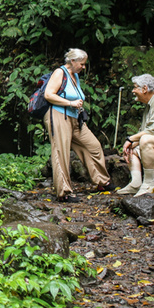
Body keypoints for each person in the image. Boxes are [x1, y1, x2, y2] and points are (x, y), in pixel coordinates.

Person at [43, 48, 112, 203]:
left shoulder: (75, 76)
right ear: (72, 61)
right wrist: (70, 103)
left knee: (92, 146)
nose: (83, 67)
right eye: (82, 64)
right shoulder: (60, 73)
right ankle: (64, 192)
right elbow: (48, 94)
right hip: (59, 115)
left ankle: (101, 182)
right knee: (61, 153)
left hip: (75, 119)